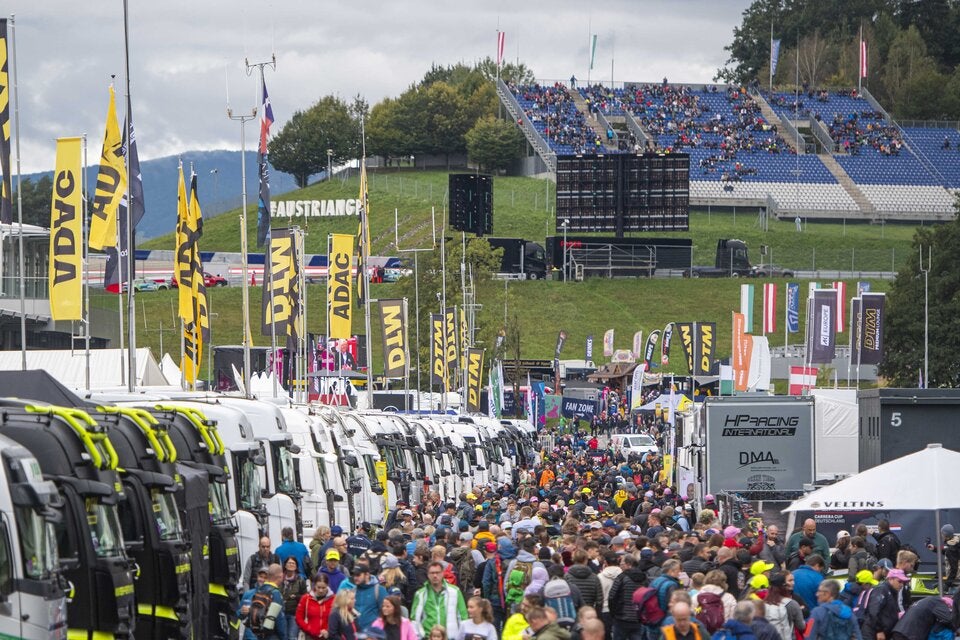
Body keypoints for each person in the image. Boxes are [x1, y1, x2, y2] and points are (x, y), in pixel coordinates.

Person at [411, 561, 468, 638]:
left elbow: (463, 617)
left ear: (443, 573)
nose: (435, 575)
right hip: (428, 637)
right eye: (432, 573)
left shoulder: (455, 591)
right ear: (428, 575)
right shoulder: (420, 594)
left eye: (437, 572)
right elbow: (414, 620)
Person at [242, 563, 287, 640]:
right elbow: (280, 619)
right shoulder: (275, 593)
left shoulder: (259, 591)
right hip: (272, 635)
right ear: (280, 576)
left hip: (259, 634)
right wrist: (284, 637)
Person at [862, 569, 908, 640]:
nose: (902, 585)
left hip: (883, 633)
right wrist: (879, 631)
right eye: (899, 581)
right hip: (872, 633)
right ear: (891, 579)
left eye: (903, 582)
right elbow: (873, 611)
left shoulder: (893, 592)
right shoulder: (881, 590)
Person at [891, 595, 955, 640]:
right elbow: (949, 619)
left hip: (898, 631)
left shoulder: (927, 601)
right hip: (910, 634)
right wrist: (956, 629)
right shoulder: (939, 602)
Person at [345, 564, 387, 631]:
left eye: (358, 575)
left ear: (367, 575)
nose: (355, 577)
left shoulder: (379, 590)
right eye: (354, 575)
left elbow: (385, 613)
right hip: (355, 633)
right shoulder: (352, 591)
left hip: (373, 633)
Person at [296, 574, 335, 640]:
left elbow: (338, 618)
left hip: (328, 636)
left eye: (323, 588)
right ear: (314, 585)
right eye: (318, 587)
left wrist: (328, 630)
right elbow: (298, 617)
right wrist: (309, 629)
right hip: (309, 636)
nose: (321, 590)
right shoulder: (306, 598)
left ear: (328, 586)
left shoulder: (334, 599)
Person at [280, 557, 308, 640]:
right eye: (289, 563)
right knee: (282, 636)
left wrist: (296, 596)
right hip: (281, 613)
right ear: (285, 565)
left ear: (296, 566)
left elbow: (306, 597)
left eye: (293, 563)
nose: (291, 565)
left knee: (292, 637)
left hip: (294, 613)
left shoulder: (300, 580)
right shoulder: (280, 579)